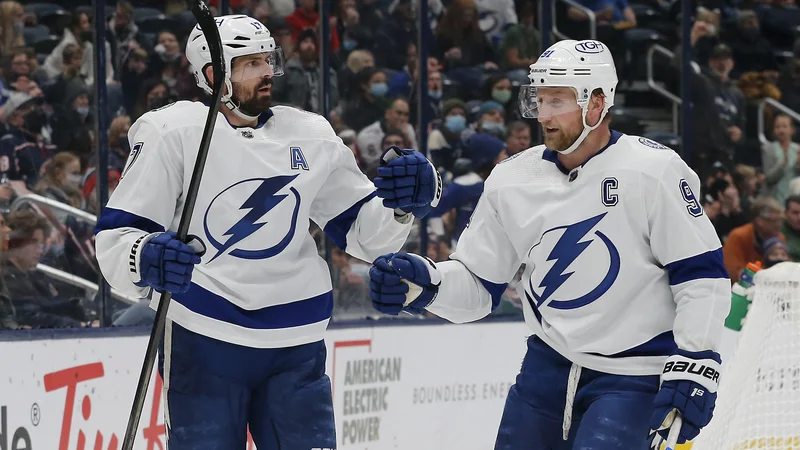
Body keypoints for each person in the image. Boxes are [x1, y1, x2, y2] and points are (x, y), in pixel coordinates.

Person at [93, 15, 440, 450]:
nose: (266, 73)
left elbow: (364, 236)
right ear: (211, 74)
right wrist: (145, 257)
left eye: (267, 60)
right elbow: (117, 237)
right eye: (249, 64)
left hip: (295, 339)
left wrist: (402, 206)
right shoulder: (172, 132)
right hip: (204, 335)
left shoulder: (309, 133)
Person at [368, 39, 730, 449]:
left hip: (636, 376)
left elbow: (701, 275)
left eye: (558, 101)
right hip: (546, 369)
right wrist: (427, 286)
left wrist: (697, 360)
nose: (544, 115)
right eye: (539, 100)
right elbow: (479, 284)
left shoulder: (655, 171)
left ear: (597, 103)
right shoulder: (511, 179)